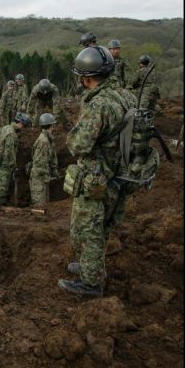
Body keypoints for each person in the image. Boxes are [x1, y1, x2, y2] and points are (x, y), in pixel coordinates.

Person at [59, 45, 127, 297]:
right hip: (117, 173)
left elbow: (78, 143)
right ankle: (91, 268)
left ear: (86, 78)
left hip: (97, 175)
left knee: (87, 230)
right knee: (101, 225)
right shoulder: (124, 95)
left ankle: (90, 284)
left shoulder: (99, 105)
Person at [0, 112, 30, 210]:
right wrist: (14, 165)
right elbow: (9, 152)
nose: (24, 129)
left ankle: (1, 204)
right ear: (21, 123)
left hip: (1, 160)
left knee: (3, 183)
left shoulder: (6, 127)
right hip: (5, 163)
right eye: (24, 126)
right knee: (2, 186)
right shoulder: (12, 134)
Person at [28, 113, 60, 206]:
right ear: (51, 126)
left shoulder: (48, 140)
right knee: (39, 207)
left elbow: (51, 158)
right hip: (39, 179)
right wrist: (47, 176)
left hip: (43, 178)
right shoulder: (43, 141)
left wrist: (54, 171)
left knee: (45, 206)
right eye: (53, 125)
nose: (54, 128)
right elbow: (39, 164)